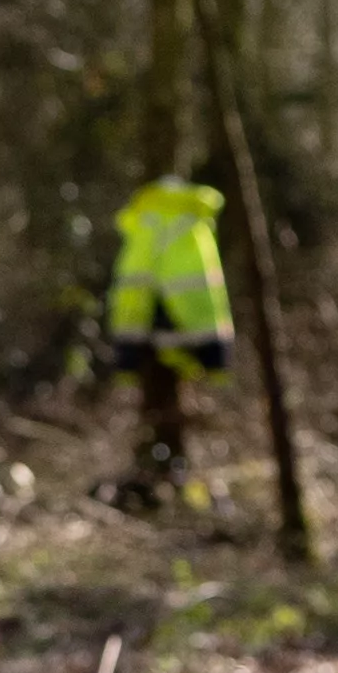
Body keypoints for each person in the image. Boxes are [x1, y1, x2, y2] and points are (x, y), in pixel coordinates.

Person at [103, 174, 233, 502]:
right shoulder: (193, 221)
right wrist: (214, 352)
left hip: (151, 337)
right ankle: (166, 475)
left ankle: (169, 475)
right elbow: (206, 290)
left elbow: (133, 289)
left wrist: (127, 350)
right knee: (170, 412)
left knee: (164, 412)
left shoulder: (147, 222)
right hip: (187, 338)